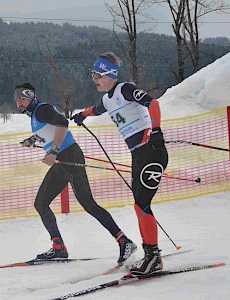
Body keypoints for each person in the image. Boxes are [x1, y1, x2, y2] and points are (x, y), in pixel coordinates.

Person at [14, 82, 137, 265]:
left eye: (20, 100)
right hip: (66, 158)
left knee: (48, 203)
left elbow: (63, 123)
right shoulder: (36, 115)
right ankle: (62, 247)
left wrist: (53, 151)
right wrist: (32, 140)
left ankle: (121, 242)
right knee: (75, 203)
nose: (18, 104)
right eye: (17, 101)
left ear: (29, 97)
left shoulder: (42, 110)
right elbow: (50, 130)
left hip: (67, 157)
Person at [71, 52, 169, 275]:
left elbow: (152, 103)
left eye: (97, 75)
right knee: (140, 205)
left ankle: (153, 257)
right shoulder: (108, 98)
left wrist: (156, 130)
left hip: (151, 150)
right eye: (92, 75)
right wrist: (82, 115)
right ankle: (151, 255)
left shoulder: (125, 89)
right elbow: (98, 109)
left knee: (142, 204)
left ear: (109, 74)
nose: (94, 79)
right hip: (138, 155)